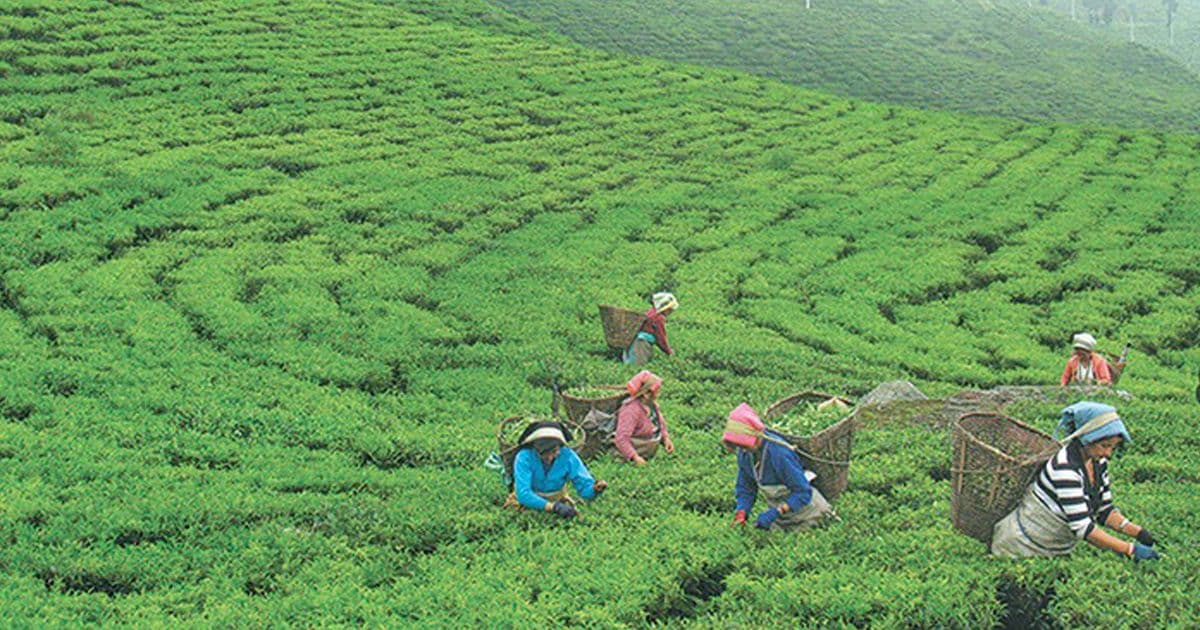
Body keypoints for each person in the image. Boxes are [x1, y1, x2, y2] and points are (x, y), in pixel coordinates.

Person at [991, 402, 1160, 562]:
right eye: (1104, 445)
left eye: (1113, 447)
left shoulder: (1098, 462)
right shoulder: (1065, 468)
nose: (1108, 453)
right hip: (1021, 548)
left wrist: (1137, 532)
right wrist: (1129, 550)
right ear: (1087, 439)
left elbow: (1104, 510)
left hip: (1056, 549)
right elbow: (1083, 528)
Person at [722, 403, 835, 531]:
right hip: (780, 515)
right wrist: (742, 511)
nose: (742, 450)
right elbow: (746, 487)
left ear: (757, 436)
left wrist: (777, 511)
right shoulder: (745, 453)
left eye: (744, 445)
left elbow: (803, 492)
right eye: (739, 446)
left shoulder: (779, 454)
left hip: (808, 512)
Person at [505, 421, 607, 519]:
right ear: (535, 448)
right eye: (543, 453)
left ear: (560, 447)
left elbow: (583, 487)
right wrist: (553, 507)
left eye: (554, 452)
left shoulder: (568, 456)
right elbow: (523, 494)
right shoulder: (524, 456)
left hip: (557, 499)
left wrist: (594, 489)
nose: (549, 458)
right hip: (527, 503)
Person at [614, 370, 675, 464]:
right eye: (657, 392)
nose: (658, 395)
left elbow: (660, 424)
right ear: (646, 394)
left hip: (646, 453)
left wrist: (666, 439)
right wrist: (634, 457)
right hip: (632, 456)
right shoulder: (631, 410)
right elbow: (621, 438)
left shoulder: (652, 405)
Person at [623, 292, 677, 365]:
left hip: (635, 341)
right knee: (637, 367)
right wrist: (669, 352)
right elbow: (661, 337)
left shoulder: (651, 312)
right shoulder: (659, 318)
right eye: (670, 309)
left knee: (630, 365)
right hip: (642, 344)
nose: (670, 312)